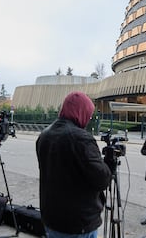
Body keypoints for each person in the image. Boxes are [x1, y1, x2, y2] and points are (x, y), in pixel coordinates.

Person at [36, 91, 112, 238]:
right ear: (81, 112)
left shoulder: (45, 134)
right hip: (78, 222)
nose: (89, 118)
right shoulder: (81, 138)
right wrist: (109, 164)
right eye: (88, 114)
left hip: (51, 217)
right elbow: (102, 180)